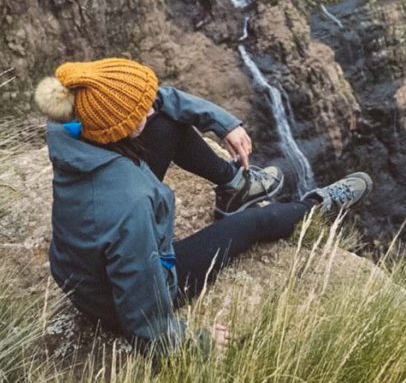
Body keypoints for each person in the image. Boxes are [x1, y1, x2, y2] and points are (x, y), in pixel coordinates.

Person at [34, 56, 372, 355]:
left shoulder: (75, 125)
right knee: (251, 224)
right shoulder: (130, 203)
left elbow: (161, 101)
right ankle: (316, 205)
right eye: (142, 109)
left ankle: (236, 184)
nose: (152, 106)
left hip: (83, 268)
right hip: (111, 300)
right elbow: (141, 310)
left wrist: (223, 123)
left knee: (166, 123)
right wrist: (193, 345)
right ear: (119, 128)